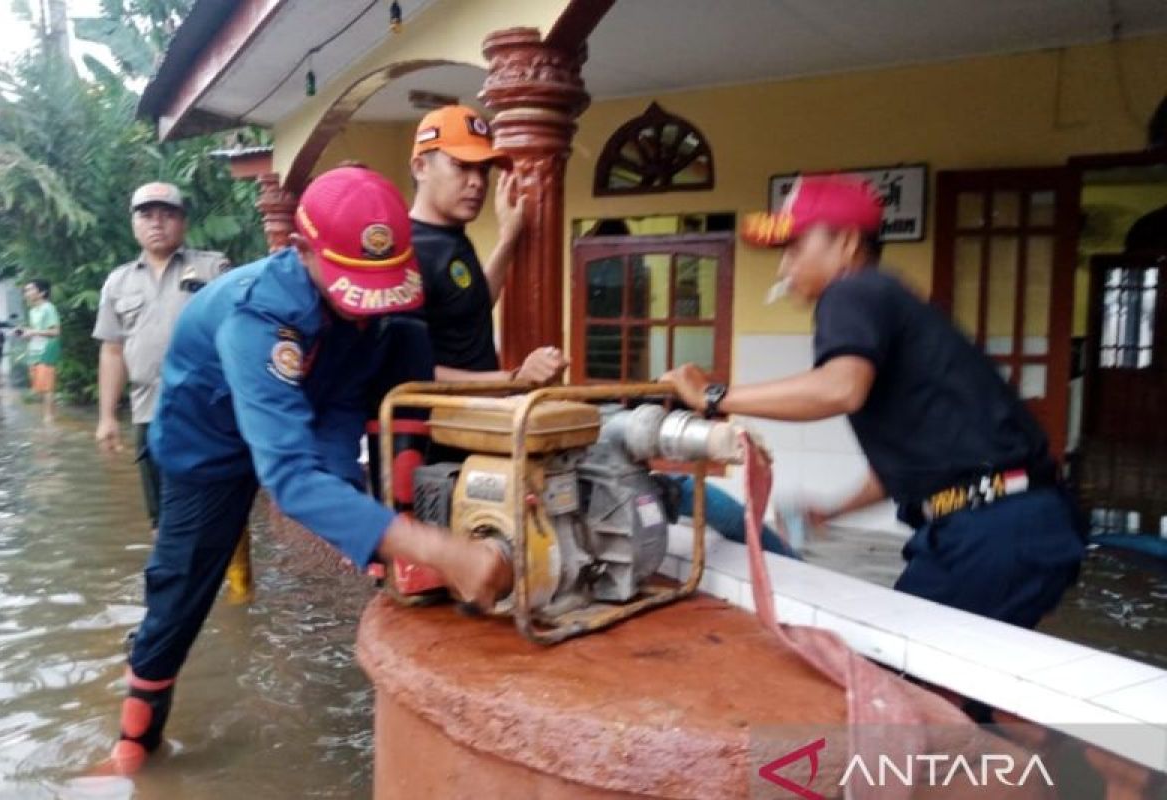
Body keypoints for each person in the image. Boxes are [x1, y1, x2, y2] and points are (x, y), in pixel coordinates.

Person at [107, 167, 511, 775]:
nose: (364, 310)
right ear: (300, 253)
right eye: (353, 288)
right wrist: (444, 549)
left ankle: (394, 556)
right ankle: (134, 744)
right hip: (208, 445)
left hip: (302, 411)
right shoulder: (257, 317)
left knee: (402, 345)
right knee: (184, 583)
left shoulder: (369, 310)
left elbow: (340, 410)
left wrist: (363, 517)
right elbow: (290, 480)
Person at [661, 175, 1085, 630]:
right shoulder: (890, 298)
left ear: (844, 241)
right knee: (936, 684)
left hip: (992, 531)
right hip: (1015, 522)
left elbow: (840, 388)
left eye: (796, 248)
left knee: (902, 679)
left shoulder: (851, 291)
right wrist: (833, 509)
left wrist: (713, 397)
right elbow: (905, 466)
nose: (785, 269)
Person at [89, 183, 254, 598]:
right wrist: (108, 417)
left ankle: (239, 593)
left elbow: (244, 333)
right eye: (147, 215)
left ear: (182, 221)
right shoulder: (118, 282)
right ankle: (176, 594)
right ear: (134, 224)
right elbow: (112, 351)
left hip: (211, 412)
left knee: (225, 507)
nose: (157, 223)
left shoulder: (215, 269)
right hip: (149, 413)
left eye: (167, 214)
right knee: (163, 517)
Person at [409, 105, 568, 386]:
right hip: (437, 424)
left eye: (483, 171)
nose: (477, 183)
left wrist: (508, 239)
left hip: (475, 417)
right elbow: (409, 368)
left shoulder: (451, 236)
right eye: (462, 166)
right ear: (421, 167)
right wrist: (513, 379)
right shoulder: (408, 251)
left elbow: (472, 305)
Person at [17, 279, 61, 423]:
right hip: (35, 349)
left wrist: (33, 332)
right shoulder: (32, 311)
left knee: (47, 385)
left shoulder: (48, 308)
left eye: (30, 289)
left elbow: (55, 331)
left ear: (42, 292)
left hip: (47, 350)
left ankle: (49, 418)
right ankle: (47, 415)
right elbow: (36, 332)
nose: (27, 293)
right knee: (40, 386)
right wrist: (26, 334)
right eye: (26, 290)